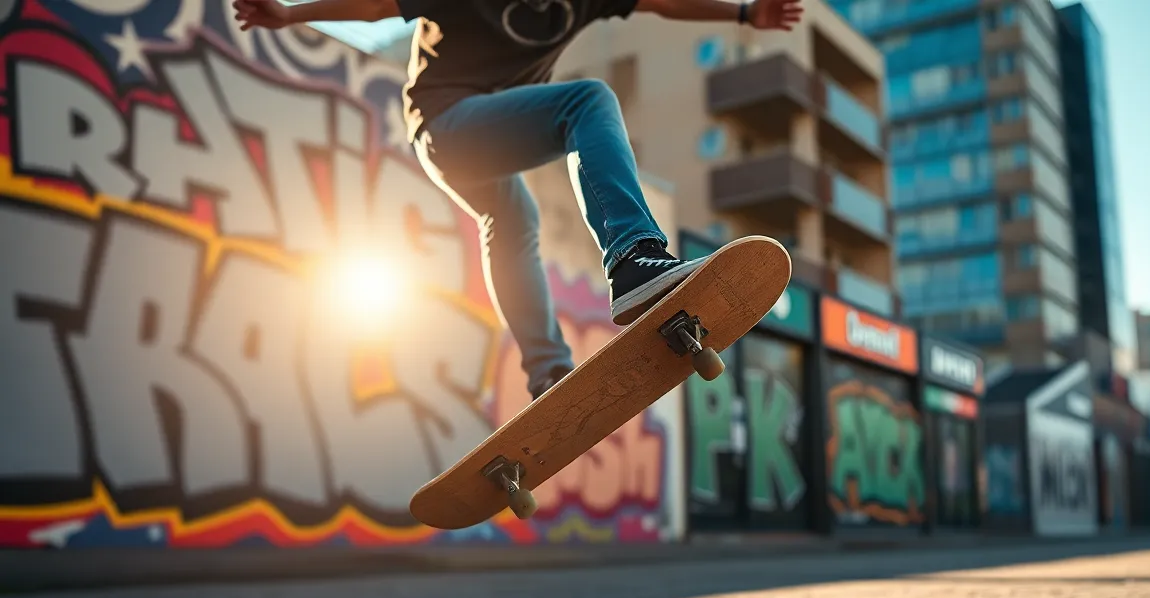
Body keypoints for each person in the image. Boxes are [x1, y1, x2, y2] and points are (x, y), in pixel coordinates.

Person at [232, 0, 803, 399]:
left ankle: (547, 373)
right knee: (587, 102)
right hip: (447, 124)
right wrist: (289, 13)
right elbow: (374, 5)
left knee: (510, 218)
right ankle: (632, 258)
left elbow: (664, 3)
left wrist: (747, 13)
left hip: (491, 139)